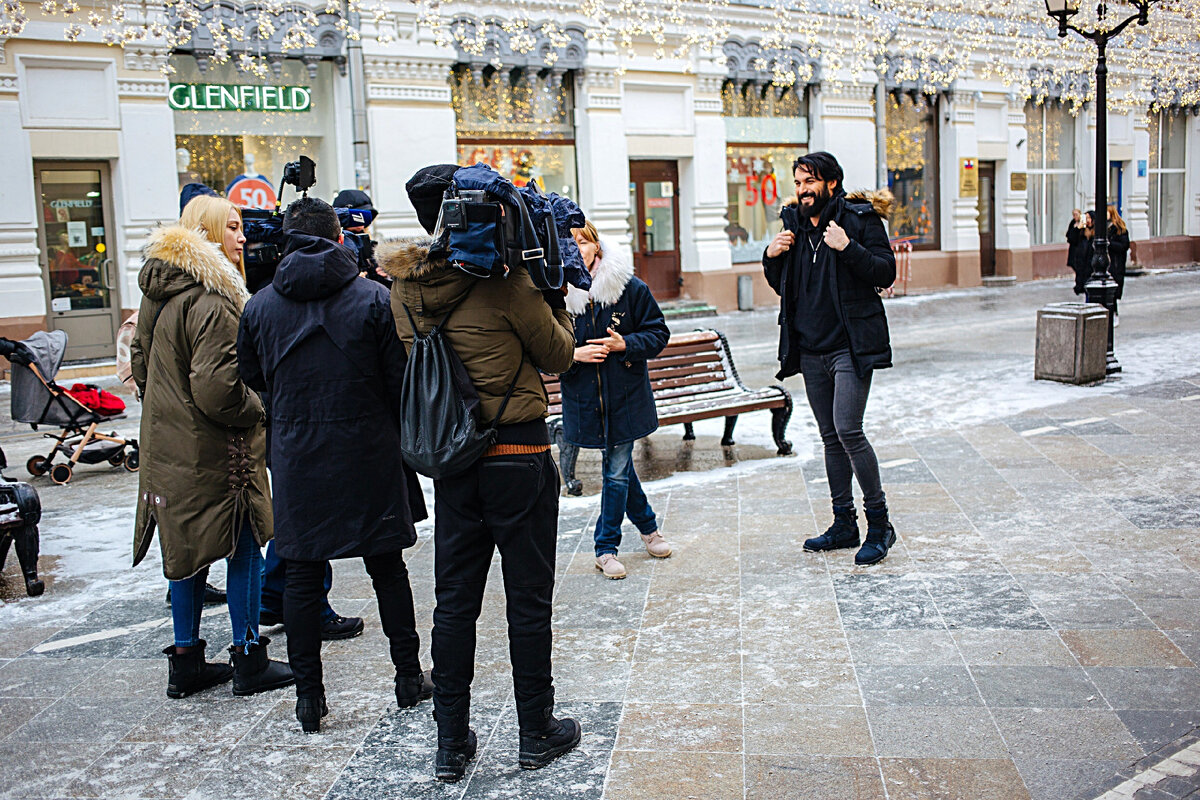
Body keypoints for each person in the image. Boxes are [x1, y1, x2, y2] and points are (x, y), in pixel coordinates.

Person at [378, 164, 580, 782]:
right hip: (518, 456)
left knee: (454, 604)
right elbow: (559, 355)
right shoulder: (509, 281)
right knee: (528, 600)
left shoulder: (404, 289)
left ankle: (449, 742)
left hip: (455, 463)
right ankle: (535, 732)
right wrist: (556, 300)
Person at [237, 197, 432, 734]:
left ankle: (310, 697)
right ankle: (408, 677)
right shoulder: (374, 298)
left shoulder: (259, 306)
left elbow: (252, 375)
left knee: (300, 575)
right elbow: (400, 378)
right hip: (369, 449)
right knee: (387, 568)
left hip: (298, 455)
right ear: (340, 238)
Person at [130, 194, 293, 699]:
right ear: (206, 233)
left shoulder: (158, 291)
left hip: (167, 446)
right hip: (218, 452)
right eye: (233, 227)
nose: (242, 238)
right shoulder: (215, 299)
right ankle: (247, 656)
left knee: (185, 548)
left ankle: (186, 661)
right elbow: (219, 391)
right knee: (242, 542)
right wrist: (260, 406)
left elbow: (140, 365)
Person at [762, 151, 898, 566]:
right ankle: (844, 523)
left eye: (810, 182)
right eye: (799, 182)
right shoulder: (794, 226)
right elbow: (783, 285)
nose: (803, 190)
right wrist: (770, 257)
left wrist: (848, 247)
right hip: (811, 349)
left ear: (831, 184)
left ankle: (880, 525)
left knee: (848, 430)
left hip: (849, 346)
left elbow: (885, 272)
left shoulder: (858, 220)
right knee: (829, 437)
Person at [561, 221, 672, 580]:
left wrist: (626, 344)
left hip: (626, 397)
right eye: (569, 243)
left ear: (597, 245)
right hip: (584, 399)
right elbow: (543, 348)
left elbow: (658, 333)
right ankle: (649, 529)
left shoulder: (629, 288)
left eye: (583, 241)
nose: (577, 248)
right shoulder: (556, 295)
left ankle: (605, 548)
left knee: (615, 468)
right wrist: (573, 355)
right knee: (620, 468)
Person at [1107, 205, 1131, 324]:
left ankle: (1114, 314)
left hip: (1116, 265)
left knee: (1113, 291)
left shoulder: (1119, 229)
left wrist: (1109, 244)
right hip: (1105, 264)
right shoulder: (1103, 228)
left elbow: (1124, 246)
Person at [1068, 209, 1096, 297]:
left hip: (1092, 266)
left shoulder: (1097, 233)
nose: (1087, 220)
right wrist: (1078, 228)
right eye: (1086, 218)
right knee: (1085, 290)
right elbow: (1071, 239)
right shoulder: (1082, 231)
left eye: (1089, 218)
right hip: (1082, 264)